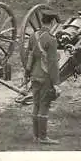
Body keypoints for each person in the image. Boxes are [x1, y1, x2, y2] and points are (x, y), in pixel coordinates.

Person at [25, 9, 61, 145]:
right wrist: (56, 83)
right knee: (44, 105)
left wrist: (27, 74)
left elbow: (30, 56)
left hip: (34, 75)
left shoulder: (33, 36)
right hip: (45, 77)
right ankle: (43, 137)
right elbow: (52, 63)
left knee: (36, 104)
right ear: (52, 22)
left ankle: (35, 135)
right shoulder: (51, 39)